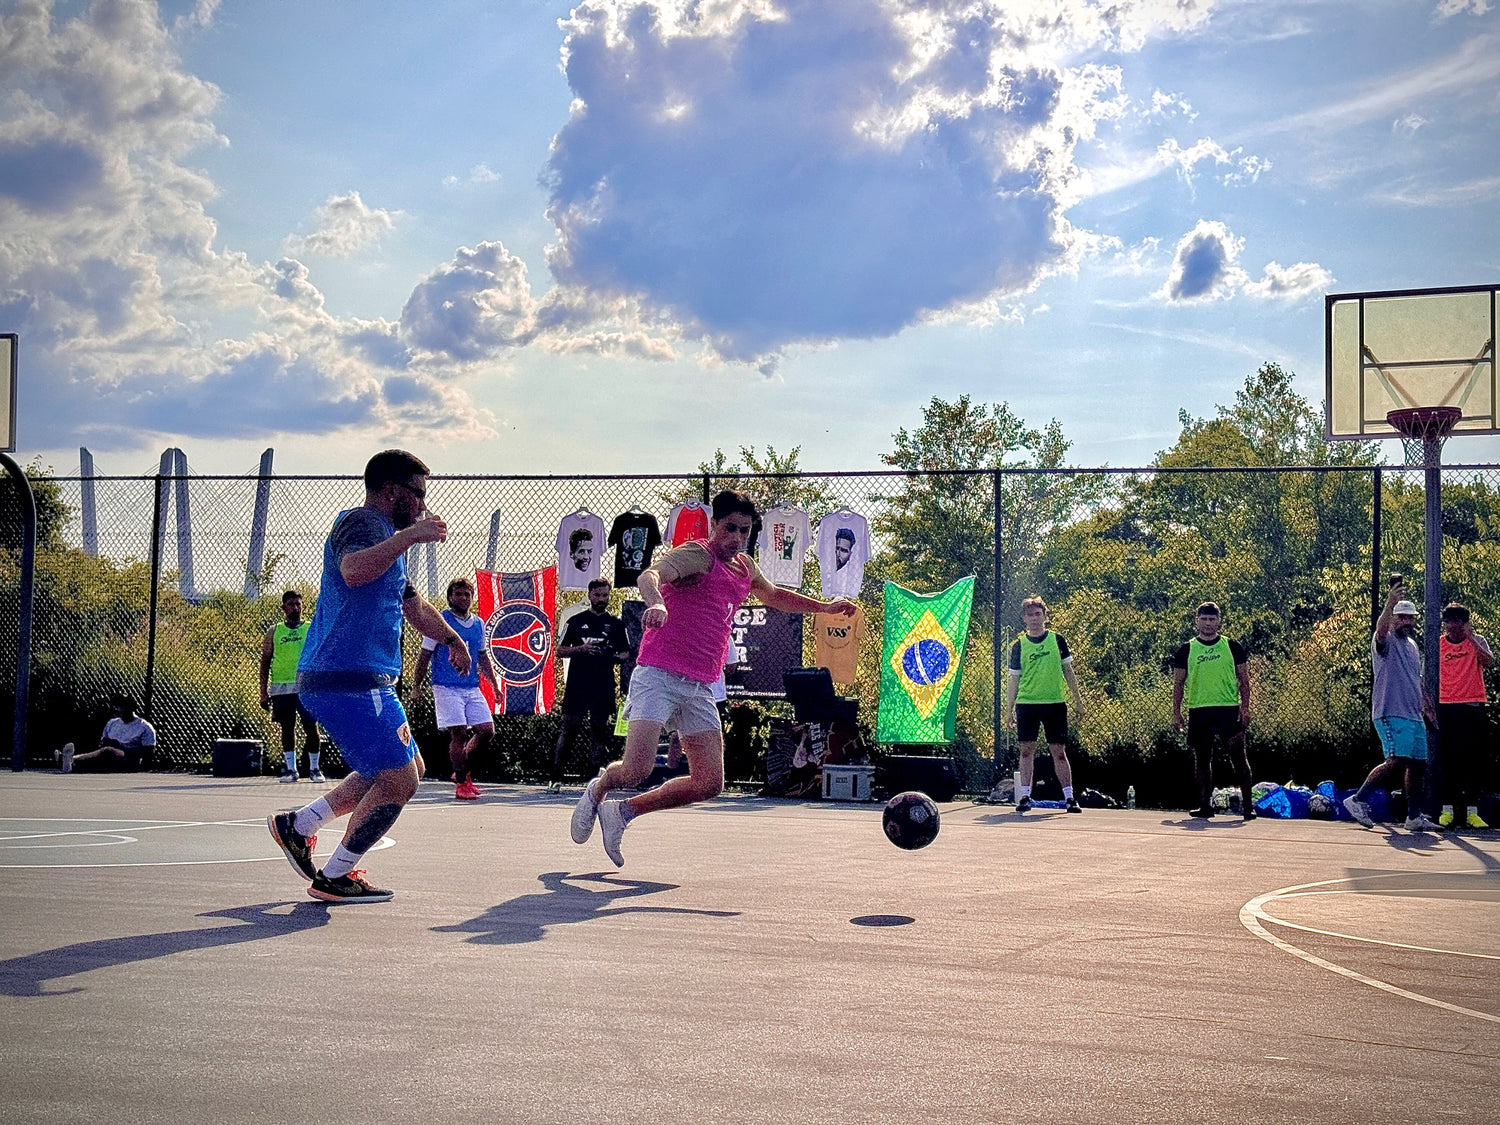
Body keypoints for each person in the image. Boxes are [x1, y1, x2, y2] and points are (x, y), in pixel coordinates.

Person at [570, 489, 857, 866]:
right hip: (658, 673)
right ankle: (599, 790)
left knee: (709, 783)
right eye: (730, 529)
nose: (737, 538)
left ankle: (622, 813)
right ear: (714, 526)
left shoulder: (745, 567)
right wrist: (657, 601)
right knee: (636, 769)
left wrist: (823, 607)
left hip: (700, 684)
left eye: (745, 531)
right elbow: (649, 574)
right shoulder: (697, 556)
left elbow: (773, 596)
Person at [266, 449, 468, 904]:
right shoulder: (360, 523)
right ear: (392, 491)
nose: (422, 504)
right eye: (417, 494)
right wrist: (413, 536)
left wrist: (453, 640)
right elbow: (353, 571)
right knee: (400, 780)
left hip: (363, 680)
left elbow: (412, 605)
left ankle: (298, 826)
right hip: (346, 679)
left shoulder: (387, 543)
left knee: (404, 767)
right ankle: (337, 875)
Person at [1343, 584, 1441, 832]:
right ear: (1393, 618)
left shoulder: (1411, 646)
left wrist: (1427, 707)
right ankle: (1357, 800)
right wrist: (1389, 603)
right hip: (1390, 712)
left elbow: (1415, 679)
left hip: (1412, 714)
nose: (1406, 621)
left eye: (1410, 617)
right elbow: (1380, 629)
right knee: (1397, 760)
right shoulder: (1385, 642)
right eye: (1401, 617)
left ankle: (1414, 817)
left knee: (1418, 765)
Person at [410, 577, 501, 801]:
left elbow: (481, 657)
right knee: (458, 732)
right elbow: (424, 655)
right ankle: (462, 783)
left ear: (472, 597)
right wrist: (417, 686)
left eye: (467, 594)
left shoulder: (479, 624)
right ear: (450, 597)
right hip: (446, 686)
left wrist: (494, 685)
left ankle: (461, 771)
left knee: (486, 730)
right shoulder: (441, 621)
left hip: (471, 687)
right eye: (458, 594)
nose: (463, 598)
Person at [1001, 596, 1087, 813]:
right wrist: (1008, 709)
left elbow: (1069, 671)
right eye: (1030, 615)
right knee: (1026, 750)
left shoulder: (1057, 640)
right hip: (1027, 704)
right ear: (1024, 619)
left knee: (1058, 751)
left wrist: (1078, 700)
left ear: (1045, 616)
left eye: (1038, 614)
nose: (1034, 618)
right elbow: (1014, 679)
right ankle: (1025, 797)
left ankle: (1069, 798)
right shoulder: (1019, 646)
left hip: (1055, 703)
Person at [1172, 602, 1254, 820]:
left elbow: (1244, 680)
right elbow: (1179, 684)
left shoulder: (1232, 646)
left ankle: (1248, 806)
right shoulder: (1187, 649)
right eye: (1204, 619)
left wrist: (1245, 707)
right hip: (1199, 710)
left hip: (1228, 709)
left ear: (1219, 621)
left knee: (1238, 755)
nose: (1208, 623)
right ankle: (1204, 805)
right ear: (1196, 620)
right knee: (1202, 759)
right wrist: (1176, 712)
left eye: (1212, 619)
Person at [549, 578, 628, 794]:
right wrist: (582, 649)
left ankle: (593, 780)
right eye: (597, 595)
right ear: (590, 596)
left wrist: (609, 655)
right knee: (569, 730)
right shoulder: (575, 621)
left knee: (599, 731)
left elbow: (625, 653)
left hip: (602, 685)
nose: (601, 599)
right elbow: (560, 650)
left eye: (605, 595)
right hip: (577, 685)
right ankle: (556, 778)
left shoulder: (616, 624)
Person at [1435, 602, 1491, 829]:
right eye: (1450, 621)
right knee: (1449, 760)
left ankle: (1471, 811)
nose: (1454, 626)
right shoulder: (1439, 644)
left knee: (1473, 760)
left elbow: (1488, 661)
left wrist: (1472, 639)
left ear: (1465, 622)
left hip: (1471, 705)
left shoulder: (1477, 641)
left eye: (1458, 621)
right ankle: (1447, 810)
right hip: (1447, 705)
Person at [260, 590, 324, 783]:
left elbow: (320, 655)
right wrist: (263, 692)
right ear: (283, 607)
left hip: (306, 687)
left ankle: (314, 768)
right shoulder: (274, 631)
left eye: (298, 604)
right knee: (287, 728)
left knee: (311, 727)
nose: (295, 608)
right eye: (291, 604)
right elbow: (265, 661)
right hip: (282, 688)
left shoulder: (311, 628)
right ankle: (291, 769)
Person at [58, 694, 156, 772]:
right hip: (108, 755)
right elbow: (102, 744)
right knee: (105, 752)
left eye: (123, 706)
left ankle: (71, 759)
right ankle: (70, 764)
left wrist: (121, 747)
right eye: (118, 706)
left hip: (130, 758)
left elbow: (148, 753)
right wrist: (106, 743)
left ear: (132, 707)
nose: (120, 709)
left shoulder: (144, 727)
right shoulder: (112, 723)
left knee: (108, 751)